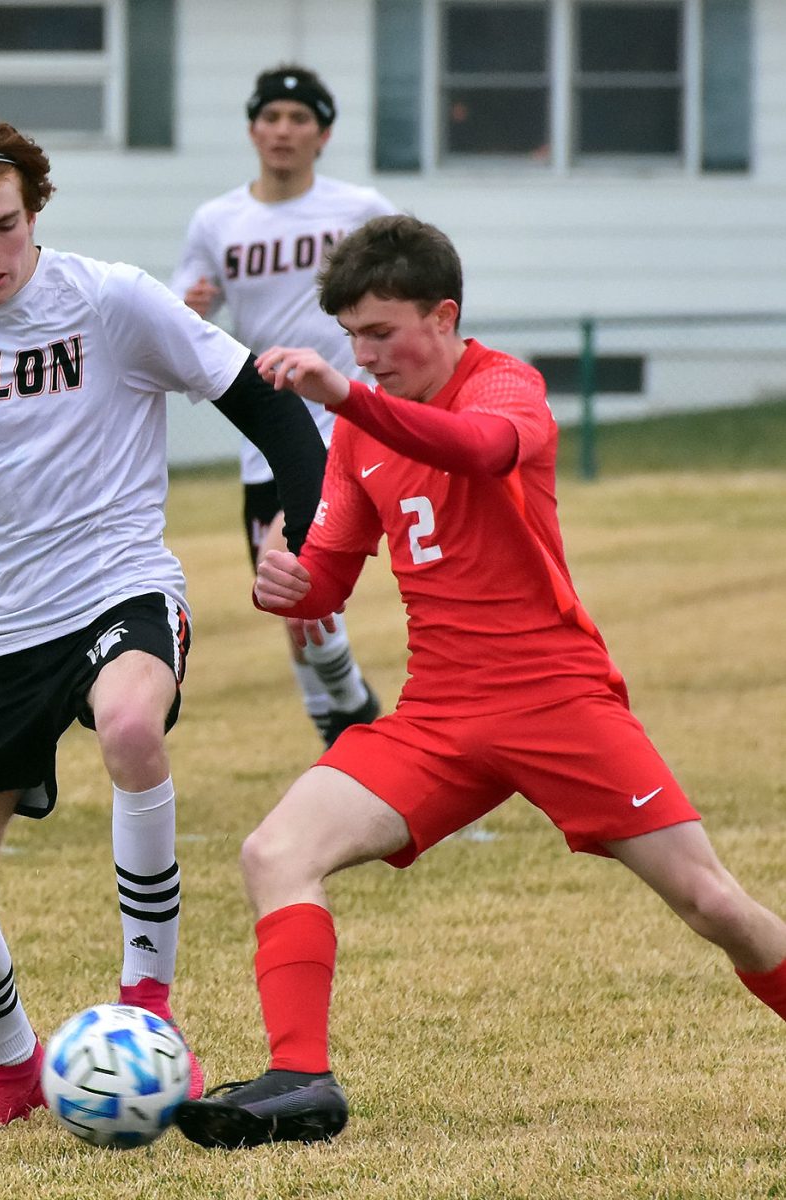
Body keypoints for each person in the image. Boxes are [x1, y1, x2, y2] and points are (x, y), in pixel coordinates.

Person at [174, 214, 786, 1150]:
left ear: (443, 314)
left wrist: (345, 396)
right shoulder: (355, 433)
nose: (366, 355)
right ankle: (301, 1081)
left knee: (712, 905)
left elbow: (480, 451)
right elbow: (332, 576)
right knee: (274, 853)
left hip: (557, 699)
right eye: (351, 339)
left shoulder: (505, 385)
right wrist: (284, 583)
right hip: (438, 715)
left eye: (381, 334)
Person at [0, 114, 326, 1131]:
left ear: (34, 210)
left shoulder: (115, 300)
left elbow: (269, 411)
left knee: (131, 727)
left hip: (119, 585)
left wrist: (302, 536)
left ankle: (147, 1007)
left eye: (5, 226)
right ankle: (11, 1068)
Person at [172, 64, 395, 748]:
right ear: (251, 129)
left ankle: (349, 714)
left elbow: (414, 286)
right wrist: (193, 308)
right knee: (289, 598)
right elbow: (178, 314)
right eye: (270, 117)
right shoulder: (217, 220)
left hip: (345, 420)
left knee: (295, 573)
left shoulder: (359, 210)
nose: (282, 130)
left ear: (323, 134)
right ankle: (347, 710)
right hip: (265, 429)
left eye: (299, 119)